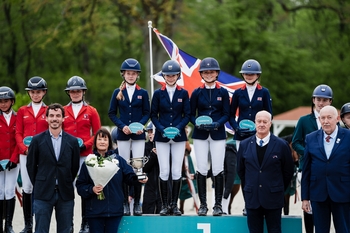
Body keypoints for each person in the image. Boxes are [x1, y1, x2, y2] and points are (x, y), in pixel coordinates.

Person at [26, 103, 80, 233]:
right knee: (41, 230)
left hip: (65, 193)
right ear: (46, 118)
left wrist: (65, 180)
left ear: (63, 118)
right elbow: (31, 166)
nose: (54, 118)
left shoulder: (72, 141)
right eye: (51, 116)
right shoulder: (37, 140)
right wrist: (41, 182)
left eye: (57, 116)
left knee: (65, 230)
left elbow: (74, 167)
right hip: (43, 192)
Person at [237, 110, 294, 233]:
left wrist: (276, 187)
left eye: (265, 121)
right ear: (255, 123)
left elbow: (288, 171)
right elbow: (241, 171)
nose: (261, 124)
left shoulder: (281, 145)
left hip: (274, 198)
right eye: (259, 121)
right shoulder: (244, 145)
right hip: (252, 199)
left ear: (270, 123)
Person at [108, 58, 150, 216]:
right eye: (128, 73)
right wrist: (122, 126)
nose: (131, 76)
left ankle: (138, 202)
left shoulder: (143, 93)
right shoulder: (117, 93)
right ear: (123, 74)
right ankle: (125, 202)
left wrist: (141, 126)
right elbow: (111, 113)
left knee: (138, 168)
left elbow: (147, 113)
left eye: (133, 74)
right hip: (123, 135)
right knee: (124, 167)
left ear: (137, 75)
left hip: (138, 136)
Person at [190, 57, 230, 216]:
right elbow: (191, 114)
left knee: (218, 168)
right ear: (201, 74)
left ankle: (218, 204)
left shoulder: (223, 92)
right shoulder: (197, 92)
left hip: (218, 133)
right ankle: (203, 205)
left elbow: (227, 113)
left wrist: (218, 124)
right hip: (200, 134)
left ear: (217, 73)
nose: (208, 74)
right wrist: (197, 123)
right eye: (205, 72)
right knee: (201, 168)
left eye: (211, 72)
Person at [151, 60, 190, 216]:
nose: (171, 77)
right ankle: (165, 205)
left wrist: (178, 128)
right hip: (162, 136)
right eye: (168, 75)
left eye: (173, 75)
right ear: (164, 76)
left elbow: (187, 114)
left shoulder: (183, 93)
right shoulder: (158, 94)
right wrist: (162, 129)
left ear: (177, 76)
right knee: (164, 170)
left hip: (179, 137)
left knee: (176, 171)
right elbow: (153, 115)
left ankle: (174, 205)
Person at [301, 106, 350, 232]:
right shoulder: (310, 138)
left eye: (329, 117)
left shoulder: (348, 137)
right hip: (318, 194)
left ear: (337, 118)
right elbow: (306, 170)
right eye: (322, 118)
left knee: (344, 229)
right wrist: (305, 198)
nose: (326, 121)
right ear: (319, 119)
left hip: (343, 193)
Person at [292, 84, 333, 233]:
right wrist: (309, 152)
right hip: (308, 167)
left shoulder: (334, 121)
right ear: (313, 100)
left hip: (328, 169)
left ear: (330, 102)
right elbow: (296, 141)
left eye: (324, 100)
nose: (321, 103)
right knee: (308, 205)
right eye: (318, 99)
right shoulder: (304, 121)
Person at [63, 75, 101, 233]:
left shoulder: (91, 111)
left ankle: (85, 223)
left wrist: (86, 144)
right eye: (72, 91)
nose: (75, 93)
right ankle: (69, 224)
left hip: (86, 155)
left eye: (78, 91)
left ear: (83, 92)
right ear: (69, 93)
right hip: (68, 155)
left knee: (86, 189)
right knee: (68, 190)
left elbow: (98, 132)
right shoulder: (63, 110)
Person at [15, 76, 49, 233]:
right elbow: (18, 133)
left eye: (38, 92)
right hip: (26, 154)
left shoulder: (48, 110)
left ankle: (40, 224)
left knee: (40, 186)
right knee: (27, 187)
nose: (35, 95)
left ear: (44, 93)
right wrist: (23, 148)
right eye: (33, 92)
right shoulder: (22, 111)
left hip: (43, 154)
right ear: (29, 93)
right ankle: (28, 224)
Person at [0, 86, 20, 233]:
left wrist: (14, 159)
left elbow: (19, 138)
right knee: (0, 191)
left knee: (9, 191)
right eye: (0, 101)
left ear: (12, 101)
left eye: (6, 101)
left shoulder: (17, 117)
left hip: (13, 160)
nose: (3, 104)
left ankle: (9, 225)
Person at [142, 122, 162, 214]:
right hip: (149, 186)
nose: (150, 134)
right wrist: (153, 155)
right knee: (147, 212)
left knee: (163, 213)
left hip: (162, 187)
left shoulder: (164, 146)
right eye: (149, 132)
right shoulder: (145, 147)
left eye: (152, 132)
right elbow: (145, 168)